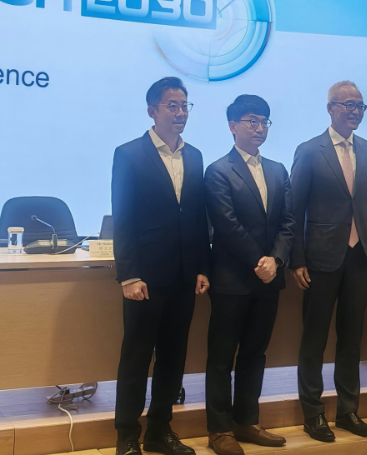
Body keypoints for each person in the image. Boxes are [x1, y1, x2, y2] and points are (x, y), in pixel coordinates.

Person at [112, 77, 210, 455]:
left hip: (184, 276)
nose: (180, 112)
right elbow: (123, 218)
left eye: (184, 105)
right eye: (172, 105)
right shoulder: (129, 154)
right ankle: (126, 435)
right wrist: (129, 274)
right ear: (152, 111)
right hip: (146, 278)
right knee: (137, 356)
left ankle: (159, 430)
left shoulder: (195, 156)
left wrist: (201, 267)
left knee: (173, 356)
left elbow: (197, 217)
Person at [290, 81, 367, 442]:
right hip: (319, 259)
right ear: (330, 108)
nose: (355, 112)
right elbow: (294, 209)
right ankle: (313, 414)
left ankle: (348, 411)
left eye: (360, 106)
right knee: (314, 339)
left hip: (360, 258)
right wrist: (297, 259)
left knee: (351, 338)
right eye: (348, 105)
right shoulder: (309, 150)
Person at [203, 95, 295, 455]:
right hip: (231, 279)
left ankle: (246, 421)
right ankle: (219, 430)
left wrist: (277, 260)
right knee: (221, 357)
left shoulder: (278, 169)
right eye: (251, 121)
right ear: (233, 126)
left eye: (264, 122)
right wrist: (260, 261)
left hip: (269, 279)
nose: (259, 128)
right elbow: (226, 225)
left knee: (255, 354)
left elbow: (288, 222)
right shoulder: (218, 171)